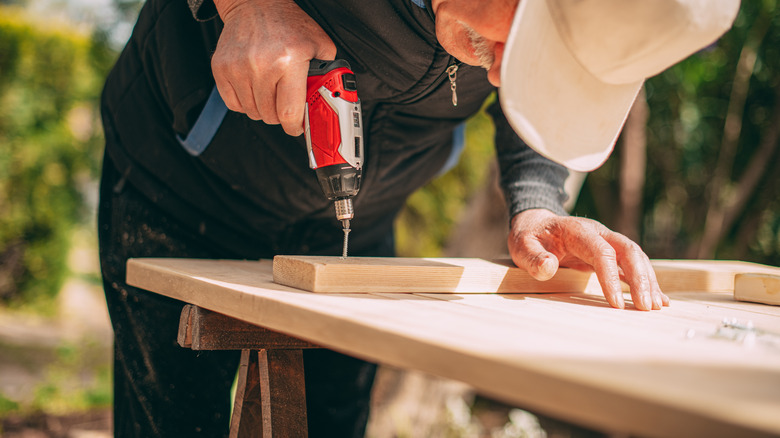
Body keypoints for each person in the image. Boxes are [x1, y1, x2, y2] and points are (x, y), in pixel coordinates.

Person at [98, 0, 737, 436]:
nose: (496, 69)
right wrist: (246, 6)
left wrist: (537, 199)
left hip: (354, 228)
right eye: (524, 41)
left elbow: (536, 97)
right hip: (180, 185)